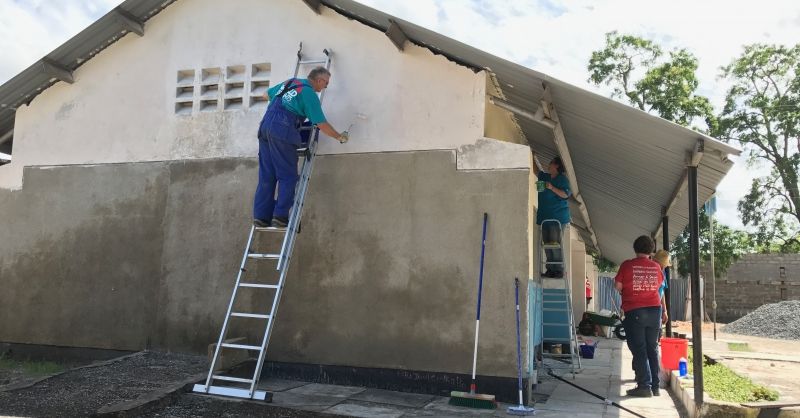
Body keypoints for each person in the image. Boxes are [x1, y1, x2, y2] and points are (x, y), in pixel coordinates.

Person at [253, 67, 349, 228]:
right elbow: (321, 124)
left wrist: (288, 104)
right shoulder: (309, 94)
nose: (325, 87)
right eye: (326, 83)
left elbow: (265, 94)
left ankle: (261, 217)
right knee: (287, 176)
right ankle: (280, 216)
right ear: (319, 80)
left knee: (267, 175)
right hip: (282, 130)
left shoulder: (290, 82)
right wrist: (339, 136)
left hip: (265, 127)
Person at [615, 235, 664, 397]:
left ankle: (644, 386)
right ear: (651, 250)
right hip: (655, 310)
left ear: (635, 249)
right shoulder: (657, 267)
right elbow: (658, 286)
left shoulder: (627, 265)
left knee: (639, 348)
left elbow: (618, 286)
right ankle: (655, 386)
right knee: (652, 347)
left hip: (635, 310)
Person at [536, 157, 571, 278]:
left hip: (558, 218)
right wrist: (532, 155)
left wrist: (551, 188)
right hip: (545, 217)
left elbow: (565, 194)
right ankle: (550, 270)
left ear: (556, 166)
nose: (548, 165)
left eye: (550, 163)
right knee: (547, 244)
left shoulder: (562, 180)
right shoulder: (545, 177)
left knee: (555, 244)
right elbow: (537, 171)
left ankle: (558, 270)